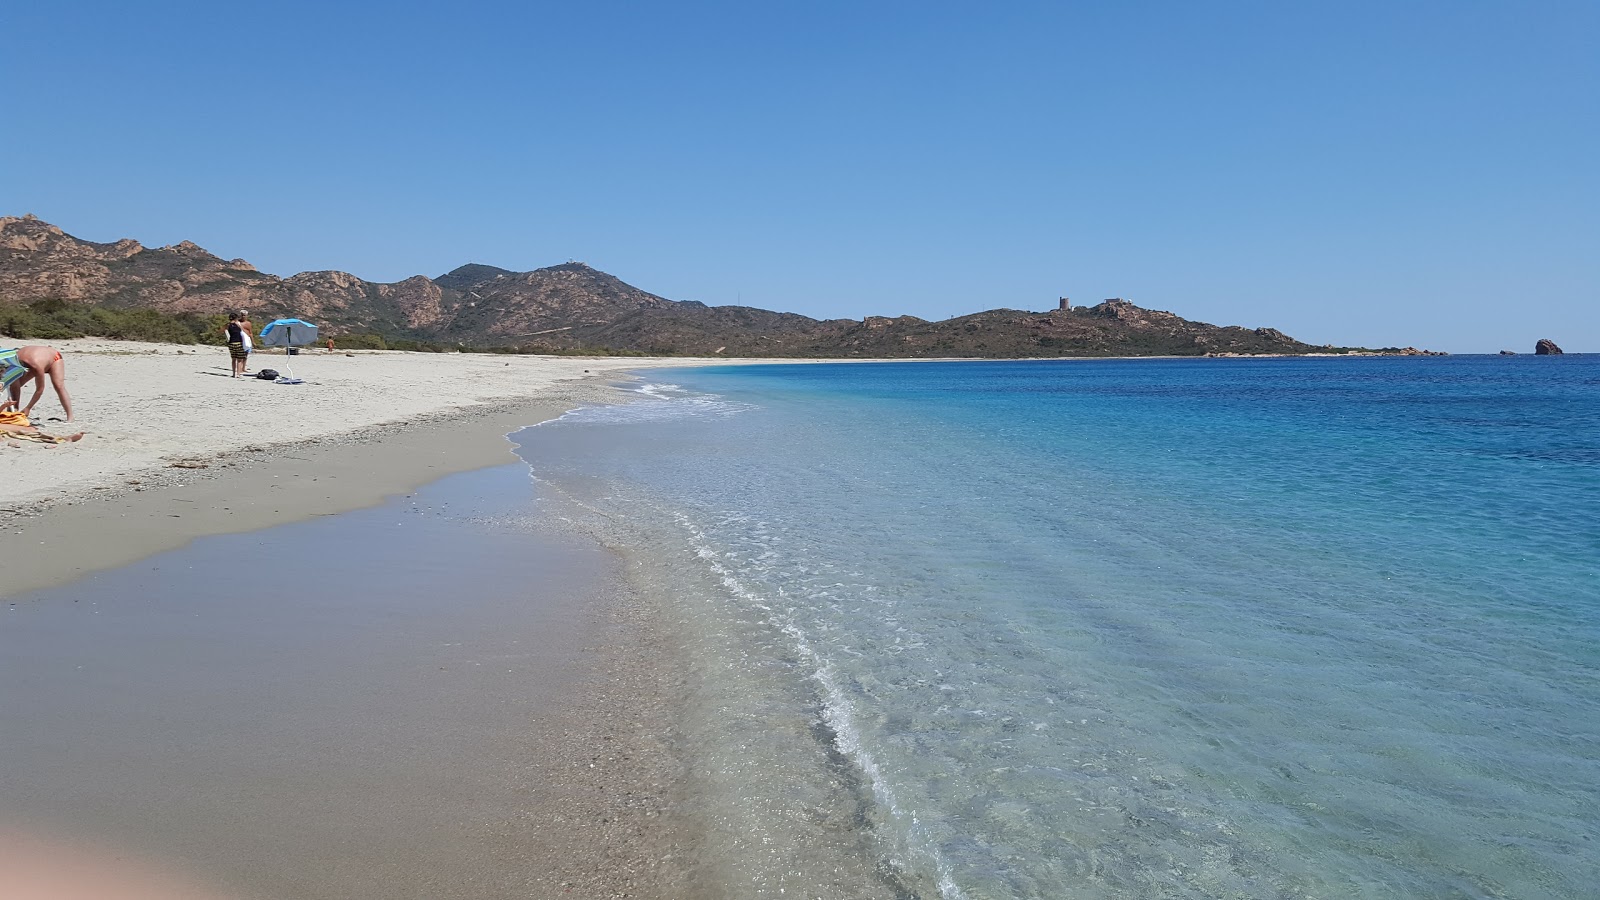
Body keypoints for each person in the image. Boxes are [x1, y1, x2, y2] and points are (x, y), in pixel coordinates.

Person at [0, 345, 74, 423]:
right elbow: (12, 385)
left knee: (58, 385)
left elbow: (39, 389)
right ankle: (14, 409)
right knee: (14, 383)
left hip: (54, 358)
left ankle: (70, 416)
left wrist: (28, 408)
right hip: (30, 358)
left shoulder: (36, 366)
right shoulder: (12, 361)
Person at [224, 313, 249, 377]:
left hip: (231, 343)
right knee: (239, 360)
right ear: (236, 318)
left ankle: (233, 374)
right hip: (238, 343)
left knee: (233, 359)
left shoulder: (227, 325)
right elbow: (243, 331)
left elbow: (223, 331)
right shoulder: (238, 324)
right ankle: (238, 374)